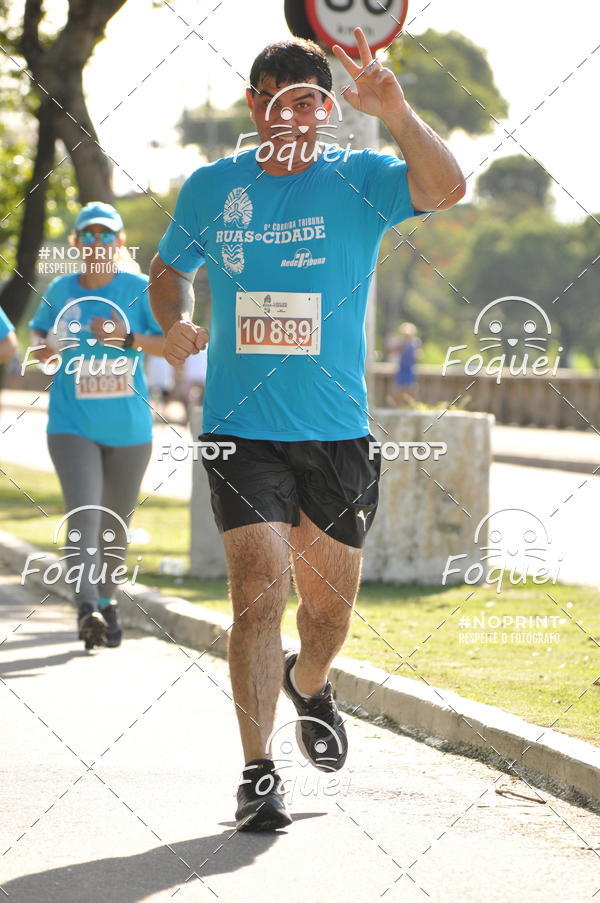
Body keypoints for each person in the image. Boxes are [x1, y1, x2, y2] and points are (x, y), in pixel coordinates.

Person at [150, 29, 465, 830]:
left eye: (307, 101)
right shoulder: (211, 188)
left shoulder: (360, 180)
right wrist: (177, 321)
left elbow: (447, 186)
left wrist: (394, 110)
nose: (289, 114)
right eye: (274, 98)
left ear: (325, 110)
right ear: (253, 104)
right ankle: (259, 772)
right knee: (258, 591)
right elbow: (167, 271)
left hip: (336, 431)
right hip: (238, 426)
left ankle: (311, 681)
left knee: (324, 615)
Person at [28, 202, 164, 649]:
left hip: (130, 429)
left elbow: (169, 345)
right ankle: (86, 607)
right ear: (76, 243)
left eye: (106, 235)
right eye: (88, 235)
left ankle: (108, 601)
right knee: (84, 514)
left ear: (120, 243)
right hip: (72, 424)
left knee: (115, 524)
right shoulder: (61, 288)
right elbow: (38, 341)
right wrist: (46, 350)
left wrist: (124, 339)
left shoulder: (140, 288)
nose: (97, 243)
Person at [390, 321, 421, 405]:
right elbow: (392, 352)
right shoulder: (400, 342)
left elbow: (418, 355)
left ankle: (411, 405)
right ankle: (398, 405)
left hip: (410, 369)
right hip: (401, 368)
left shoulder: (415, 343)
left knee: (412, 388)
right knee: (399, 388)